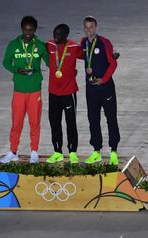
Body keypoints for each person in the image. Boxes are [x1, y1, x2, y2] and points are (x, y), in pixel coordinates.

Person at [1, 15, 49, 164]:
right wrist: (17, 70)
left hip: (34, 89)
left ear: (35, 29)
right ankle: (13, 151)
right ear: (22, 29)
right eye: (25, 29)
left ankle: (34, 151)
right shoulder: (13, 45)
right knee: (16, 123)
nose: (28, 32)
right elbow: (6, 63)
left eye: (31, 29)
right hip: (19, 90)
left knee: (34, 122)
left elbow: (50, 62)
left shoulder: (40, 46)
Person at [80, 16, 120, 166]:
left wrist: (104, 79)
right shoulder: (83, 43)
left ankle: (114, 151)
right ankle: (96, 151)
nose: (88, 30)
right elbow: (80, 55)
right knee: (93, 119)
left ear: (96, 28)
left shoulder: (104, 42)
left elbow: (113, 63)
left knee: (111, 119)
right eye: (86, 27)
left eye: (91, 27)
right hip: (91, 90)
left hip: (106, 88)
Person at [45, 24, 82, 164]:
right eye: (55, 34)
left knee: (70, 123)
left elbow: (90, 54)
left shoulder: (73, 47)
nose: (56, 37)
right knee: (54, 122)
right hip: (53, 92)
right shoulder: (49, 45)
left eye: (59, 35)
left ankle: (72, 152)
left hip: (68, 92)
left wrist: (111, 55)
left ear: (66, 35)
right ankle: (57, 151)